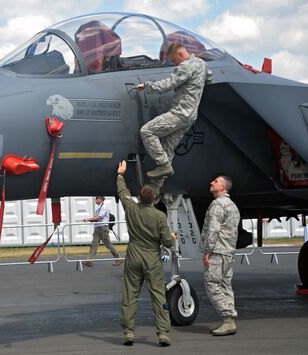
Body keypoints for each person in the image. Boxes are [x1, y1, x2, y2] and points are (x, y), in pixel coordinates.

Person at [116, 160, 175, 347]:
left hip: (133, 256)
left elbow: (123, 193)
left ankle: (128, 332)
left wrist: (120, 175)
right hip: (152, 259)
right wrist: (172, 237)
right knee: (158, 296)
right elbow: (167, 242)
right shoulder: (160, 216)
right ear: (155, 198)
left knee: (130, 295)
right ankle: (163, 333)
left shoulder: (131, 209)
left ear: (140, 198)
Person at [136, 43, 213, 180]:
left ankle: (163, 164)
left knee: (147, 131)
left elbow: (168, 85)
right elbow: (209, 79)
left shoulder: (185, 67)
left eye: (173, 60)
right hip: (190, 117)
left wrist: (147, 86)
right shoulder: (202, 64)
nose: (174, 64)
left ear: (181, 54)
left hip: (179, 114)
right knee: (167, 149)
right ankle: (156, 188)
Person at [200, 175, 240, 336]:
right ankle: (230, 319)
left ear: (223, 187)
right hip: (228, 251)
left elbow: (213, 230)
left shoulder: (218, 205)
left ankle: (227, 319)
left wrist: (207, 251)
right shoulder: (232, 205)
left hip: (217, 251)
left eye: (215, 181)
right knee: (225, 285)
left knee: (212, 284)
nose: (211, 182)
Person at [83, 196, 122, 267]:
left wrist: (88, 219)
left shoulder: (104, 207)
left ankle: (118, 258)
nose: (95, 199)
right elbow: (96, 218)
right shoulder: (98, 208)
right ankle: (89, 260)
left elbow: (99, 217)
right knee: (93, 244)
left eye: (97, 198)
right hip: (97, 228)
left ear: (101, 199)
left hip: (103, 228)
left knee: (108, 244)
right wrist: (91, 219)